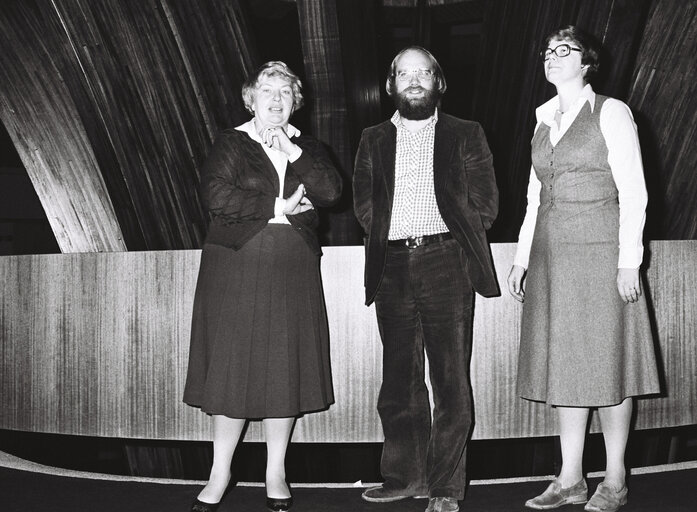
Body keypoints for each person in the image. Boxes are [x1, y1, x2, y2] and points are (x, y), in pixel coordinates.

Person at [506, 26, 660, 512]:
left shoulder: (610, 112)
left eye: (564, 50)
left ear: (587, 61)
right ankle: (570, 476)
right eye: (548, 51)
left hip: (599, 250)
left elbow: (634, 191)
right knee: (566, 364)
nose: (552, 57)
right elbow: (534, 198)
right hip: (553, 255)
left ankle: (615, 478)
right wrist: (522, 259)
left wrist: (628, 261)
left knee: (609, 361)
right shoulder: (542, 120)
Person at [183, 61, 342, 512]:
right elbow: (216, 196)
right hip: (235, 267)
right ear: (249, 98)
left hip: (292, 268)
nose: (276, 100)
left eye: (286, 94)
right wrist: (281, 205)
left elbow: (330, 192)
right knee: (233, 368)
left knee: (282, 368)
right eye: (267, 91)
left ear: (295, 104)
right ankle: (220, 472)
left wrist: (294, 156)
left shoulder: (307, 147)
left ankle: (276, 471)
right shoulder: (232, 142)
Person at [353, 46, 499, 512]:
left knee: (450, 380)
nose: (413, 80)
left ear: (439, 81)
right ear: (391, 84)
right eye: (403, 73)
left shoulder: (465, 133)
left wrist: (454, 240)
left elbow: (487, 203)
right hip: (391, 267)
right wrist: (387, 238)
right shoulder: (372, 137)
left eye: (423, 72)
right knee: (398, 381)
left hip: (445, 261)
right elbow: (363, 206)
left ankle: (445, 487)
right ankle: (404, 477)